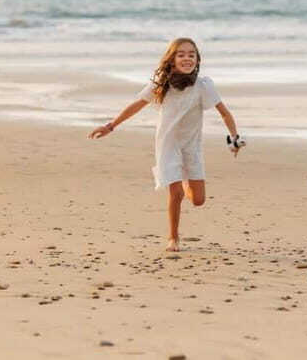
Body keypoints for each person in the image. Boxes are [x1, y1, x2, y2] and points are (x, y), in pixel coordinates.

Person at [88, 37, 242, 252]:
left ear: (197, 60)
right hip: (168, 144)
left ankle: (186, 183)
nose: (187, 58)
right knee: (175, 193)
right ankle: (173, 237)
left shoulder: (202, 86)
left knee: (198, 200)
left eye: (191, 54)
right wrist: (110, 126)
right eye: (181, 54)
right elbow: (137, 105)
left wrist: (234, 138)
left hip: (191, 146)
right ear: (171, 59)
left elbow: (224, 113)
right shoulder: (161, 84)